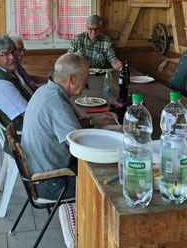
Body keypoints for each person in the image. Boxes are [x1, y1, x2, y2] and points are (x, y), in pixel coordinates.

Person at [22, 53, 117, 200]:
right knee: (112, 180)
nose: (87, 81)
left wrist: (93, 120)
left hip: (39, 174)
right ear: (71, 79)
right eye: (85, 77)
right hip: (51, 181)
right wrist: (116, 141)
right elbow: (81, 148)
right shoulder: (58, 105)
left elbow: (66, 129)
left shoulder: (44, 91)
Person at [0, 36, 31, 147]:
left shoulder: (8, 72)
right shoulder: (1, 85)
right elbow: (30, 115)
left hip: (27, 129)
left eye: (14, 51)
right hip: (24, 139)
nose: (12, 57)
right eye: (5, 54)